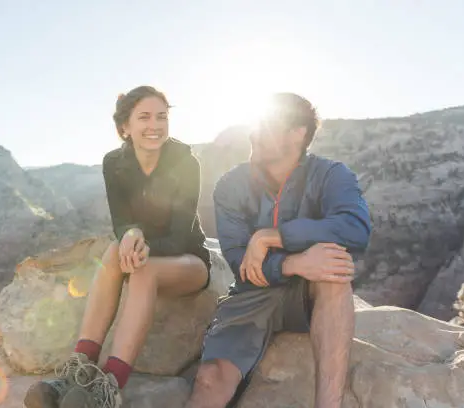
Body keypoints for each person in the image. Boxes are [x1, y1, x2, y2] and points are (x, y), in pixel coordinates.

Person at [24, 85, 211, 408]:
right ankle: (79, 372)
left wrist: (141, 245)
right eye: (145, 117)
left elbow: (182, 234)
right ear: (125, 127)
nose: (155, 125)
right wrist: (128, 235)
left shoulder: (185, 162)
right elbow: (121, 220)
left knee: (142, 270)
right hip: (143, 252)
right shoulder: (114, 163)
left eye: (162, 117)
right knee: (112, 252)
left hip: (188, 262)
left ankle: (107, 388)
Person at [185, 93, 372, 408]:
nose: (254, 132)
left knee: (333, 269)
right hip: (251, 293)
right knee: (209, 380)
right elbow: (238, 260)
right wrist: (294, 262)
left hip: (307, 296)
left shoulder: (330, 174)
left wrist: (274, 237)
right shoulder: (231, 185)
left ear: (298, 133)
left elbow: (356, 228)